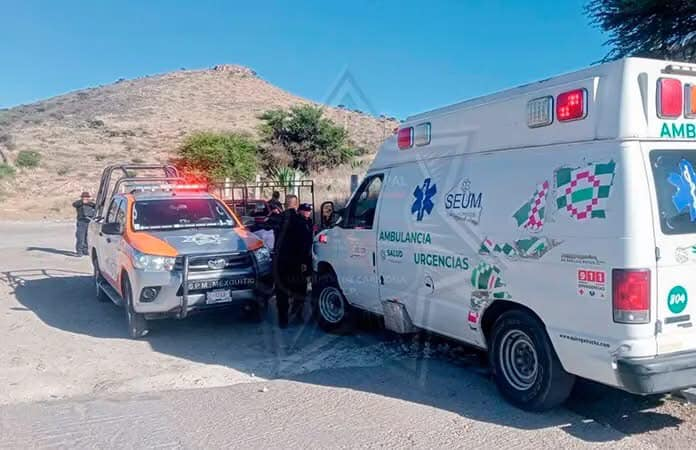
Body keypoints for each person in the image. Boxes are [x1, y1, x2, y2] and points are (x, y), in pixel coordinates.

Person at [273, 195, 313, 328]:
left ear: (285, 204)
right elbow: (306, 243)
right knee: (299, 288)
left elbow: (265, 226)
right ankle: (297, 314)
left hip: (280, 260)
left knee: (281, 290)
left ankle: (282, 320)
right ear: (296, 205)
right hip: (296, 261)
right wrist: (306, 263)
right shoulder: (301, 221)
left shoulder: (277, 218)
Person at [72, 191, 96, 256]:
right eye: (84, 197)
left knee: (87, 237)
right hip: (81, 221)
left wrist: (88, 202)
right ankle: (79, 251)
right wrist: (82, 202)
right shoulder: (79, 203)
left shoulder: (91, 204)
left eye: (87, 197)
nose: (85, 198)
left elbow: (96, 206)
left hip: (89, 221)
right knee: (80, 237)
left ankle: (85, 250)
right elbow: (74, 204)